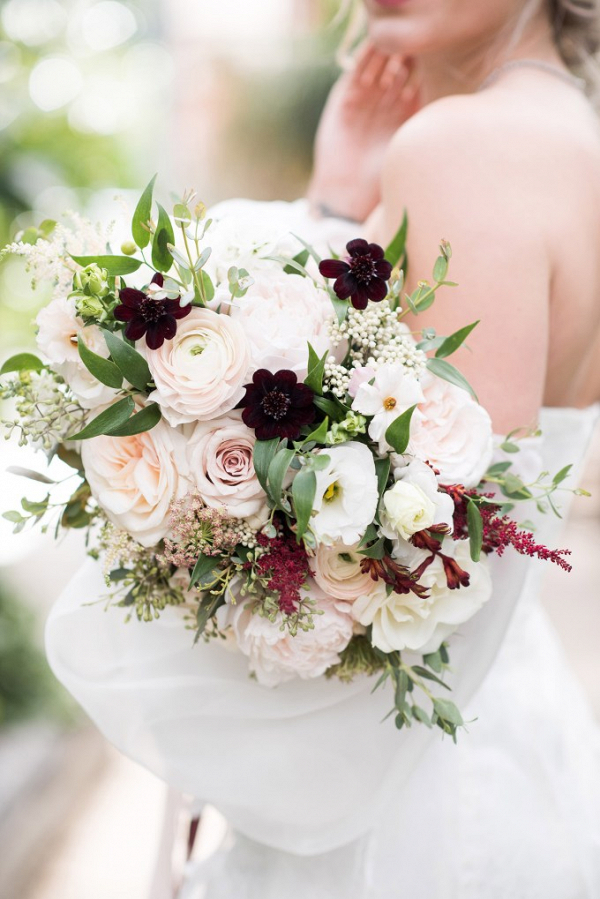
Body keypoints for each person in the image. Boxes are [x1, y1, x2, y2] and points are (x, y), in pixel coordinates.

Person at [45, 1, 600, 896]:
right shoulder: (563, 131)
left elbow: (429, 566)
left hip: (400, 821)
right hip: (507, 760)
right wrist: (340, 204)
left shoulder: (467, 148)